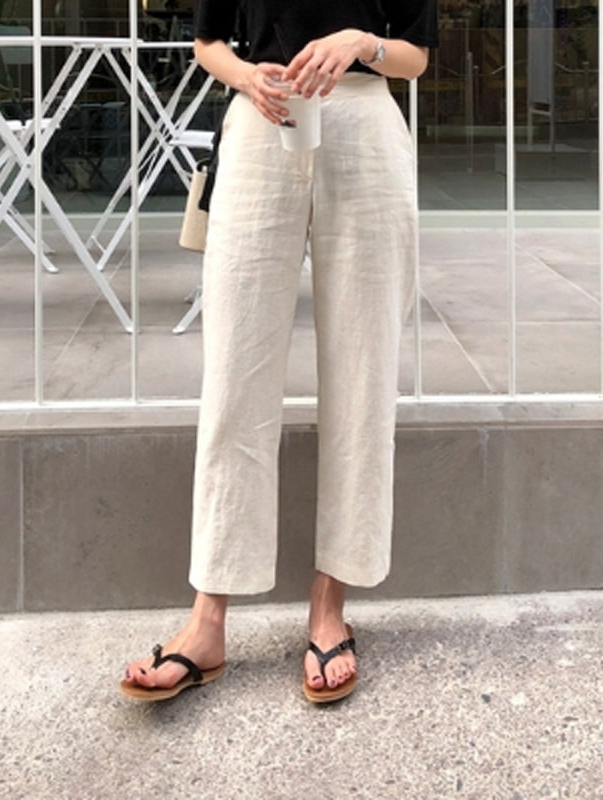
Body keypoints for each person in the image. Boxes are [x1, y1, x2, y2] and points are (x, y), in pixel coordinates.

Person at [122, 0, 438, 704]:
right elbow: (207, 42)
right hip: (262, 126)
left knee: (363, 372)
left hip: (365, 132)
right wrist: (245, 77)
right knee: (236, 374)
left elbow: (415, 57)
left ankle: (330, 606)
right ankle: (208, 620)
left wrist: (360, 42)